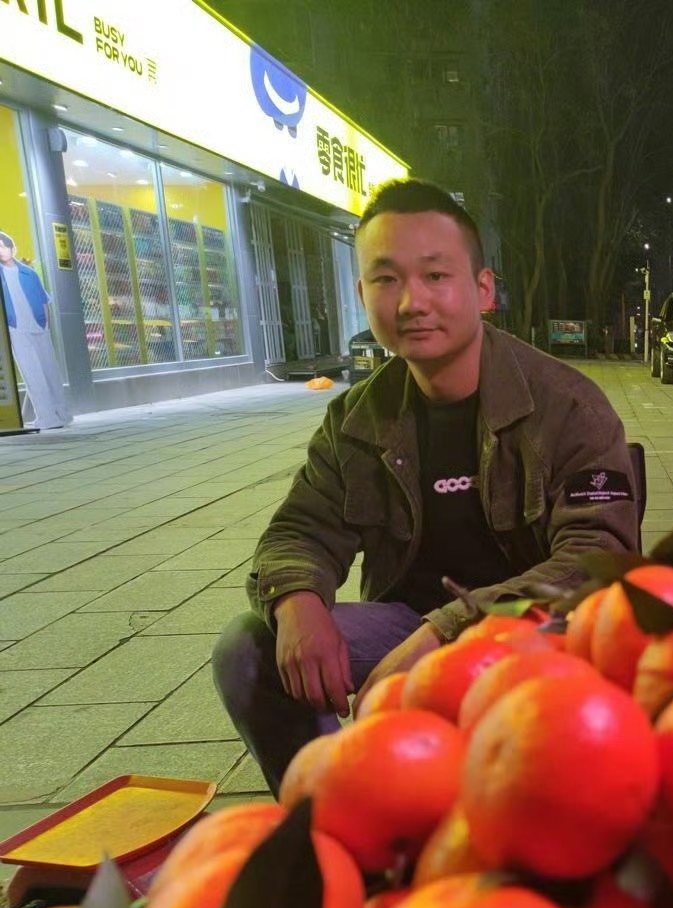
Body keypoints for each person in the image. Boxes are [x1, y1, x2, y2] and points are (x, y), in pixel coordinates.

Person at [212, 179, 640, 795]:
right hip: (402, 625)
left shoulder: (568, 406)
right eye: (386, 279)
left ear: (483, 289)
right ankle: (336, 816)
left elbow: (597, 560)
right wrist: (296, 599)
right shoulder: (357, 418)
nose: (412, 300)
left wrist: (446, 630)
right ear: (362, 294)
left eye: (436, 276)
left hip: (531, 635)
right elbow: (300, 528)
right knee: (249, 648)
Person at [0, 230, 72, 429]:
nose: (1, 250)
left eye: (3, 245)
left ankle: (63, 414)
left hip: (39, 327)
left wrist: (46, 326)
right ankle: (47, 416)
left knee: (51, 372)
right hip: (16, 330)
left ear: (12, 248)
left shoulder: (29, 273)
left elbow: (44, 301)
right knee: (32, 374)